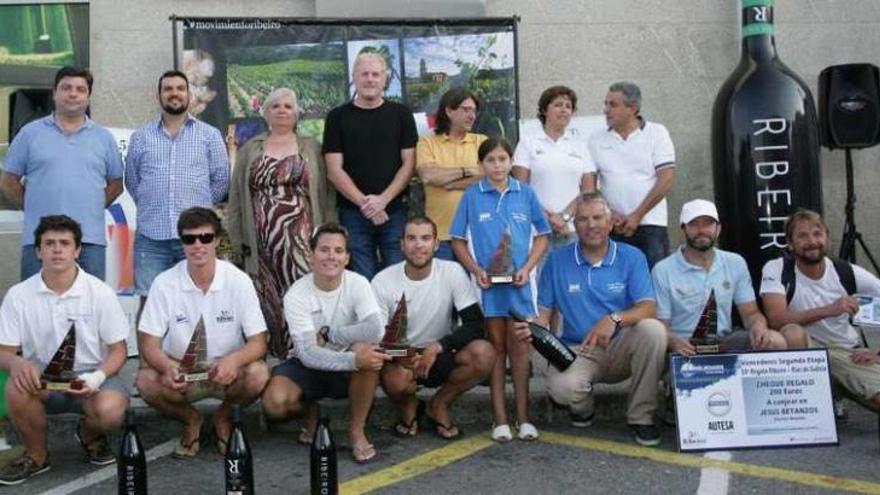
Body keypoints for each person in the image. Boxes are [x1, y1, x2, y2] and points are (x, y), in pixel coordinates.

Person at [517, 191, 666, 446]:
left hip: (622, 346)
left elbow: (648, 308)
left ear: (610, 223)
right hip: (580, 349)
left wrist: (615, 318)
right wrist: (531, 328)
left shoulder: (632, 256)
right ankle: (583, 409)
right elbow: (544, 314)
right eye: (583, 219)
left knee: (653, 331)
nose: (591, 225)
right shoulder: (556, 260)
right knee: (564, 390)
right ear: (575, 225)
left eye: (598, 217)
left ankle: (642, 417)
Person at [0, 215, 129, 485]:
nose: (57, 250)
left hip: (90, 378)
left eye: (64, 243)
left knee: (112, 410)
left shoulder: (100, 292)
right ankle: (37, 456)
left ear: (77, 250)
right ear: (37, 251)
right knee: (15, 384)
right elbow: (4, 351)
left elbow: (118, 351)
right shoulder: (19, 295)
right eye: (49, 243)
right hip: (42, 379)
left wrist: (96, 378)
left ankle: (90, 434)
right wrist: (17, 364)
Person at [135, 207, 269, 459]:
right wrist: (166, 367)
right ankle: (190, 419)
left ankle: (223, 418)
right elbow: (148, 343)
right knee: (145, 381)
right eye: (189, 239)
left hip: (227, 372)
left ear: (217, 240)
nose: (198, 245)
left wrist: (234, 360)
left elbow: (259, 342)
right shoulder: (164, 282)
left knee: (258, 373)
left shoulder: (238, 280)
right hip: (182, 371)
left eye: (205, 238)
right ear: (182, 243)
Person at [261, 223, 390, 463]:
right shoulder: (297, 294)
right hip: (308, 364)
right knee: (274, 404)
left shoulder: (358, 283)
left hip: (346, 359)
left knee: (369, 353)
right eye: (324, 250)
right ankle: (309, 412)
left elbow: (375, 329)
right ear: (311, 255)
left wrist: (331, 335)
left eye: (339, 251)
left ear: (347, 257)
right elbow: (308, 353)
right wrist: (352, 359)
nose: (332, 256)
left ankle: (356, 430)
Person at [450, 137, 550, 442]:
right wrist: (476, 270)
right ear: (482, 164)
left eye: (503, 159)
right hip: (489, 289)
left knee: (520, 351)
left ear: (511, 162)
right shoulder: (472, 195)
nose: (497, 165)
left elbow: (543, 235)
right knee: (497, 350)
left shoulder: (526, 193)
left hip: (519, 288)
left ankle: (524, 418)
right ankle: (500, 420)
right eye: (491, 160)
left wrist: (527, 268)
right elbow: (457, 239)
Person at [228, 87, 336, 358]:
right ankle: (278, 360)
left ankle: (306, 354)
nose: (282, 110)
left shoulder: (311, 147)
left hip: (302, 240)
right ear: (266, 113)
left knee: (302, 296)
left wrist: (330, 235)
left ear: (296, 112)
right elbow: (237, 198)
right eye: (275, 106)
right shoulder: (250, 149)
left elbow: (326, 194)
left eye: (288, 106)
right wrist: (237, 240)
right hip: (261, 243)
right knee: (268, 299)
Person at [372, 216, 495, 438]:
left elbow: (475, 324)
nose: (418, 245)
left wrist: (438, 346)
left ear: (436, 244)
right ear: (402, 245)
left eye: (426, 238)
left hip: (439, 353)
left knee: (484, 353)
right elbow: (376, 338)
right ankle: (408, 407)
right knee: (395, 380)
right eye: (411, 238)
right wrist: (404, 355)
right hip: (402, 357)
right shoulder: (382, 281)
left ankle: (438, 404)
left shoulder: (452, 272)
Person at [1, 66, 124, 280]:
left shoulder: (103, 138)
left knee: (89, 308)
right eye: (66, 88)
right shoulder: (30, 134)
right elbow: (8, 181)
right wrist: (32, 206)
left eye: (80, 89)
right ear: (54, 93)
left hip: (89, 241)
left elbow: (116, 183)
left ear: (88, 96)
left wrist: (91, 205)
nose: (73, 93)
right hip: (40, 240)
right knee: (36, 307)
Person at [125, 69, 230, 316]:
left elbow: (221, 181)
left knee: (196, 302)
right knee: (150, 305)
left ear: (189, 95)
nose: (174, 93)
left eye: (180, 88)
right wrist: (154, 204)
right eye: (168, 89)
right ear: (159, 95)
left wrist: (198, 211)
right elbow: (133, 181)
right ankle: (150, 357)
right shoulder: (141, 137)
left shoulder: (209, 135)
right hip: (152, 238)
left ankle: (190, 355)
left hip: (196, 239)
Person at [760, 209, 880, 410]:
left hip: (845, 352)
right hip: (809, 350)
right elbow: (776, 319)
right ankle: (807, 405)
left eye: (817, 234)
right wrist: (830, 309)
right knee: (791, 332)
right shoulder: (777, 269)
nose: (812, 241)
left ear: (826, 238)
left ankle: (835, 393)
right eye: (802, 236)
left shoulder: (846, 271)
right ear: (790, 243)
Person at [652, 199, 803, 355]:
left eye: (708, 224)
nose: (701, 230)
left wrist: (758, 327)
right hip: (685, 346)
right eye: (694, 224)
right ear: (683, 229)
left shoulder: (735, 262)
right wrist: (673, 342)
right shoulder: (663, 270)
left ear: (718, 229)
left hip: (724, 342)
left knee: (775, 342)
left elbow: (750, 313)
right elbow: (661, 325)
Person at [323, 52, 418, 279]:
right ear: (354, 77)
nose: (370, 79)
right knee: (361, 281)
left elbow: (409, 165)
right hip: (353, 214)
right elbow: (334, 170)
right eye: (364, 74)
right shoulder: (337, 117)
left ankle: (396, 317)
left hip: (394, 212)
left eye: (376, 74)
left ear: (385, 79)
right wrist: (367, 205)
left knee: (396, 279)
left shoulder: (401, 115)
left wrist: (383, 201)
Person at [588, 81, 675, 268]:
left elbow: (666, 179)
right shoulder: (596, 139)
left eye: (613, 105)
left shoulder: (656, 133)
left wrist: (637, 216)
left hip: (650, 225)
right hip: (611, 226)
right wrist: (609, 213)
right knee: (614, 284)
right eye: (605, 104)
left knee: (653, 282)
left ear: (632, 108)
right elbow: (590, 185)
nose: (606, 110)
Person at [513, 85, 596, 250]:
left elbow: (588, 191)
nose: (564, 110)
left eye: (568, 107)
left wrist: (564, 217)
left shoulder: (580, 146)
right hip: (537, 231)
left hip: (571, 231)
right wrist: (547, 218)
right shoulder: (528, 143)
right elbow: (520, 189)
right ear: (544, 110)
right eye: (558, 105)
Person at [415, 88, 487, 261]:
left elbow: (488, 178)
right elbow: (428, 176)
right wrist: (467, 170)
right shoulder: (427, 142)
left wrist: (451, 184)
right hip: (440, 234)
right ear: (449, 111)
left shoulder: (481, 142)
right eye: (466, 109)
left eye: (474, 111)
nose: (471, 115)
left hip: (475, 233)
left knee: (476, 286)